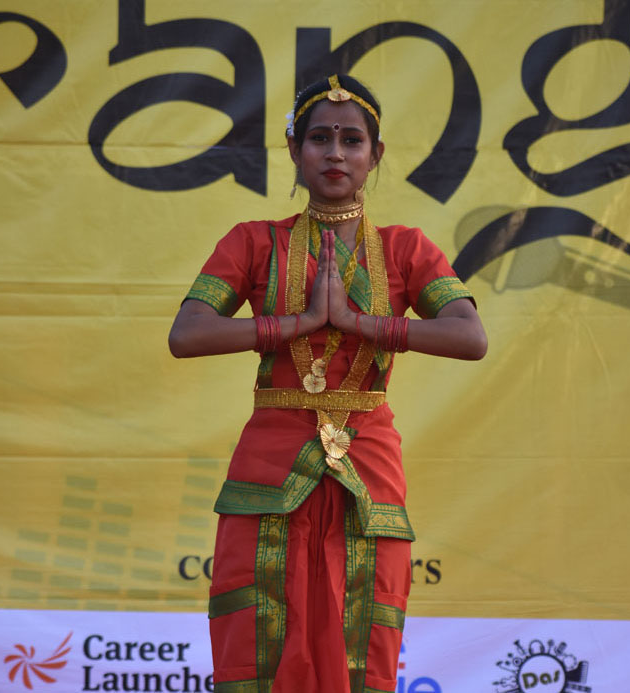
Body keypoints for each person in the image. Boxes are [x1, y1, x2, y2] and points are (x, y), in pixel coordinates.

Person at [169, 74, 487, 693]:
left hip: (368, 468)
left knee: (361, 647)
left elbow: (469, 336)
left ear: (376, 153)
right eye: (319, 138)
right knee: (258, 647)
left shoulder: (405, 249)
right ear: (295, 149)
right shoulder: (253, 241)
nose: (335, 153)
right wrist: (298, 323)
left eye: (351, 139)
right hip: (268, 472)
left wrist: (360, 323)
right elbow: (188, 333)